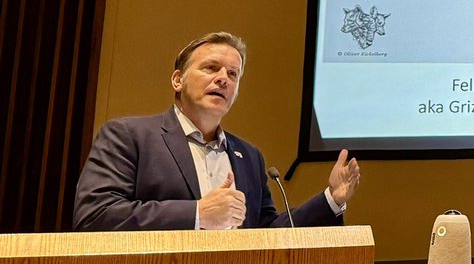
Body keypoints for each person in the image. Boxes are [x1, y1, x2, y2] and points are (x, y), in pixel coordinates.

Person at [73, 31, 361, 231]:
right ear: (178, 80)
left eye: (233, 74)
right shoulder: (129, 136)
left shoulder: (249, 156)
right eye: (211, 68)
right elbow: (95, 215)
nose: (223, 79)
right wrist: (198, 214)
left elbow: (267, 232)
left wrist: (331, 200)